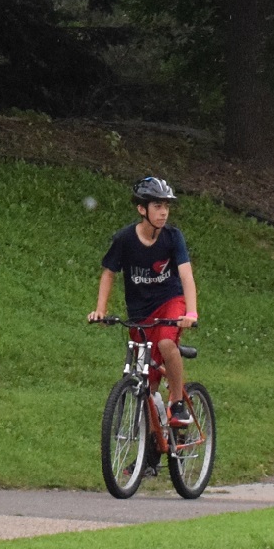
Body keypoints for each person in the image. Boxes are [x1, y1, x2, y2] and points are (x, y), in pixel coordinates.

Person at [88, 176, 198, 431]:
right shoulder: (125, 239)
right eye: (157, 206)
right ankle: (148, 455)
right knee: (147, 384)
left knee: (165, 342)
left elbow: (186, 275)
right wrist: (101, 310)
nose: (163, 213)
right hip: (140, 314)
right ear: (142, 209)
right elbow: (108, 273)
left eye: (166, 207)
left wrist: (191, 312)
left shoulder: (173, 237)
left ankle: (178, 402)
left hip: (171, 302)